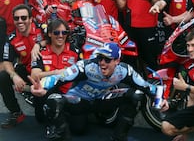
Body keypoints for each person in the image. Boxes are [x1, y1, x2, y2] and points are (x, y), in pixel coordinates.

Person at [29, 42, 158, 141]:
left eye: (107, 60)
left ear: (117, 61)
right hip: (79, 102)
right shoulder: (87, 66)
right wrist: (42, 86)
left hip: (101, 100)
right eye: (100, 58)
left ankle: (119, 137)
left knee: (137, 95)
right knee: (55, 101)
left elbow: (146, 86)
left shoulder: (125, 70)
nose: (102, 63)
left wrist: (161, 100)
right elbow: (60, 78)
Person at [0, 4, 45, 128]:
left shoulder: (43, 29)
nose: (20, 21)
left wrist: (39, 44)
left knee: (42, 118)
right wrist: (14, 75)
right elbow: (6, 61)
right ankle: (16, 113)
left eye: (24, 18)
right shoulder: (12, 39)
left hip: (46, 73)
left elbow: (58, 37)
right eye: (16, 18)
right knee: (3, 76)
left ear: (31, 19)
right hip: (28, 71)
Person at [31, 18, 80, 122]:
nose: (61, 35)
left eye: (64, 32)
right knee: (41, 120)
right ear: (49, 34)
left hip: (69, 92)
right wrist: (55, 73)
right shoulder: (40, 51)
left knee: (79, 128)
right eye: (56, 32)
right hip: (48, 91)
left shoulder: (75, 50)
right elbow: (34, 75)